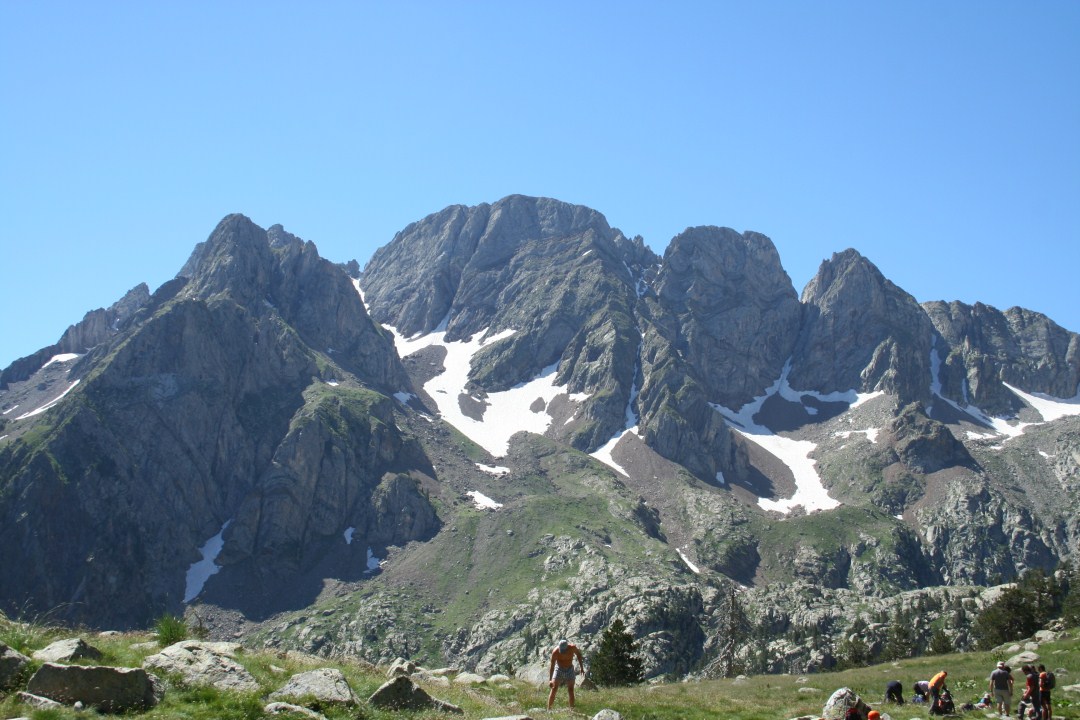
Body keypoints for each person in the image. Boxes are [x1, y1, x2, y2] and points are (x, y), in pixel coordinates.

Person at [547, 638, 585, 710]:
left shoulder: (572, 648)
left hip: (569, 669)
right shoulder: (555, 652)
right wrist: (550, 680)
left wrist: (581, 668)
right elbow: (552, 666)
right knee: (554, 688)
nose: (562, 652)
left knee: (571, 690)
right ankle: (549, 709)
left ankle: (572, 709)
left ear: (567, 647)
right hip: (559, 669)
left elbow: (579, 655)